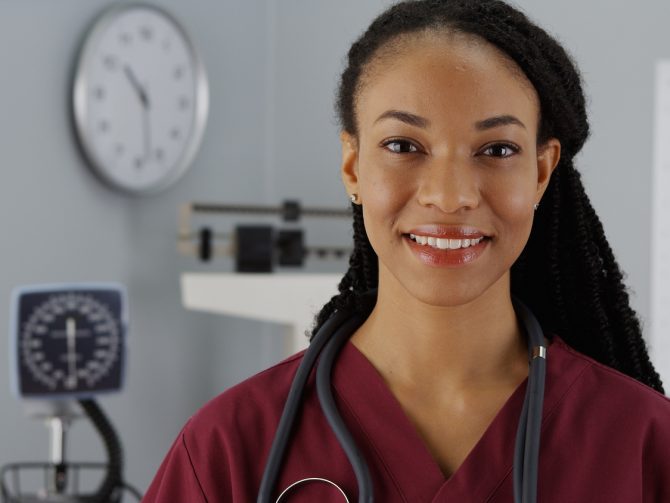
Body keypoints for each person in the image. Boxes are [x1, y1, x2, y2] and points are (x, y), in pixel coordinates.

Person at [144, 1, 670, 501]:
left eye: (497, 150)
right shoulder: (230, 448)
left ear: (540, 171)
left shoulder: (644, 444)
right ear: (353, 166)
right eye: (403, 146)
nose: (449, 195)